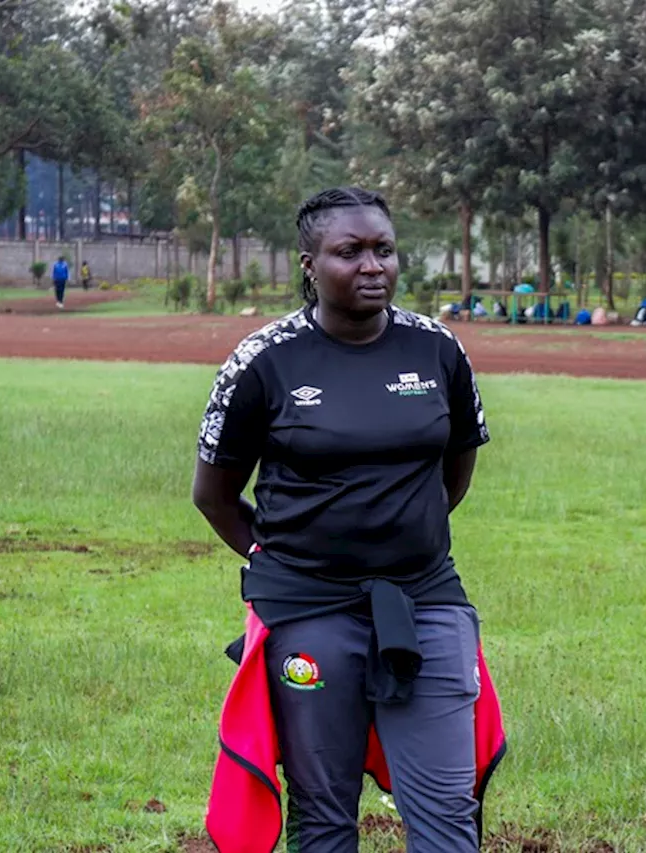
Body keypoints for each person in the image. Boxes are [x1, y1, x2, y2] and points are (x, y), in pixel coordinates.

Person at [194, 187, 505, 853]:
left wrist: (398, 534)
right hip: (308, 609)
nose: (372, 265)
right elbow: (215, 495)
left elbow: (455, 471)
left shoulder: (437, 350)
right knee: (324, 813)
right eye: (350, 251)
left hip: (425, 598)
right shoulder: (263, 360)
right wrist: (283, 559)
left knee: (449, 808)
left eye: (383, 250)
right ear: (309, 262)